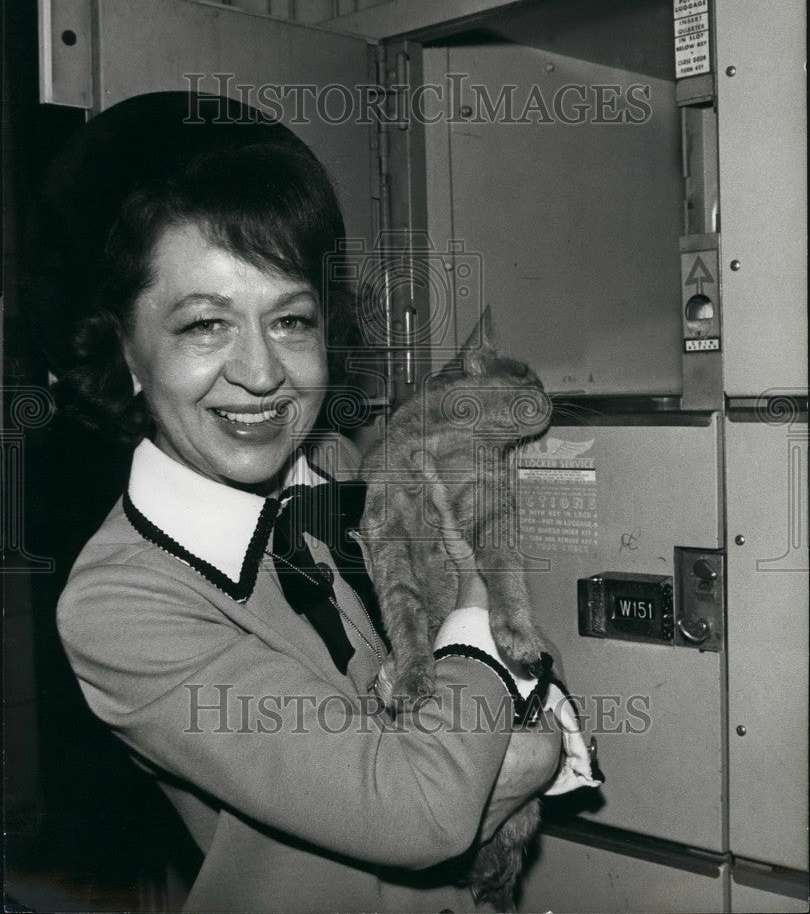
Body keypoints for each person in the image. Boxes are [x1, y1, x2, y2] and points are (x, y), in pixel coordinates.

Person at [55, 133, 588, 913]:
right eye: (205, 324)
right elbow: (422, 810)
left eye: (291, 321)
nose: (262, 372)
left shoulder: (339, 468)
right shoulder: (120, 604)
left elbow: (529, 695)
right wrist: (475, 600)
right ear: (127, 351)